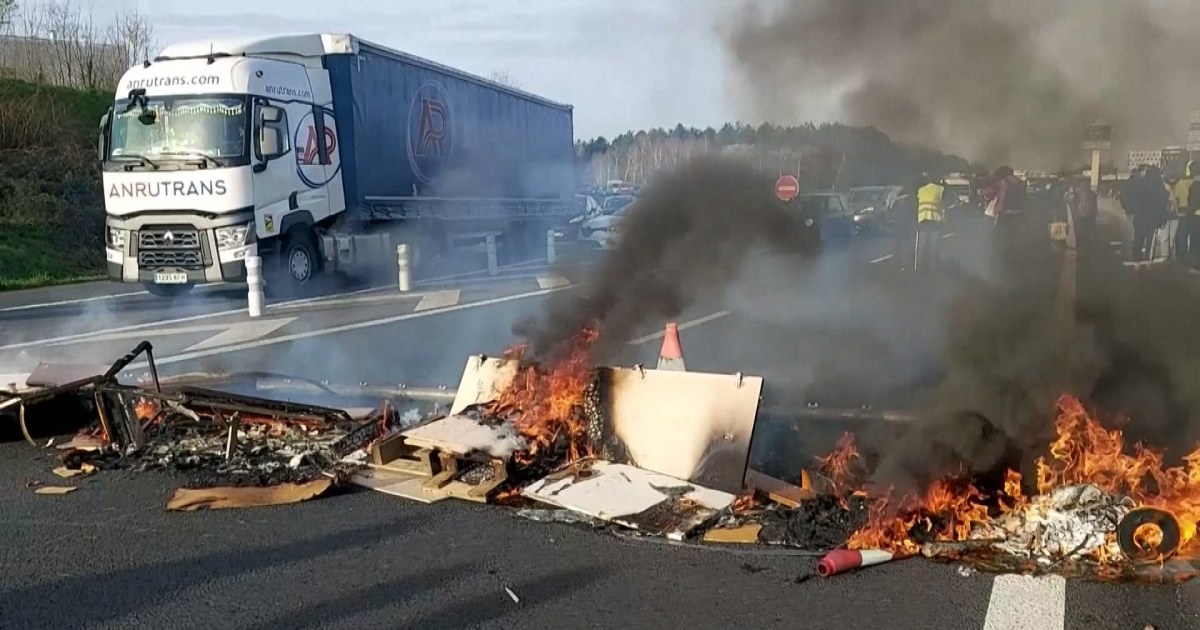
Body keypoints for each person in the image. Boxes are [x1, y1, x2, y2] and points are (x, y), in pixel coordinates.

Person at [914, 172, 948, 273]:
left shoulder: (921, 190)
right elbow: (945, 203)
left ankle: (919, 269)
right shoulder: (941, 189)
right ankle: (933, 269)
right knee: (934, 245)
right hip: (935, 219)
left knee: (922, 245)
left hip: (923, 219)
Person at [1171, 160, 1200, 266]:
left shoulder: (1193, 184)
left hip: (1192, 214)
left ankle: (1191, 260)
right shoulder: (1192, 183)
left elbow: (1192, 201)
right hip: (1194, 213)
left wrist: (1184, 211)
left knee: (1192, 238)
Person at [891, 182, 917, 271]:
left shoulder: (897, 203)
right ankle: (905, 264)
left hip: (900, 227)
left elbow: (891, 213)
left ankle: (899, 263)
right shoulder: (910, 202)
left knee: (899, 245)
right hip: (906, 227)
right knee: (906, 246)